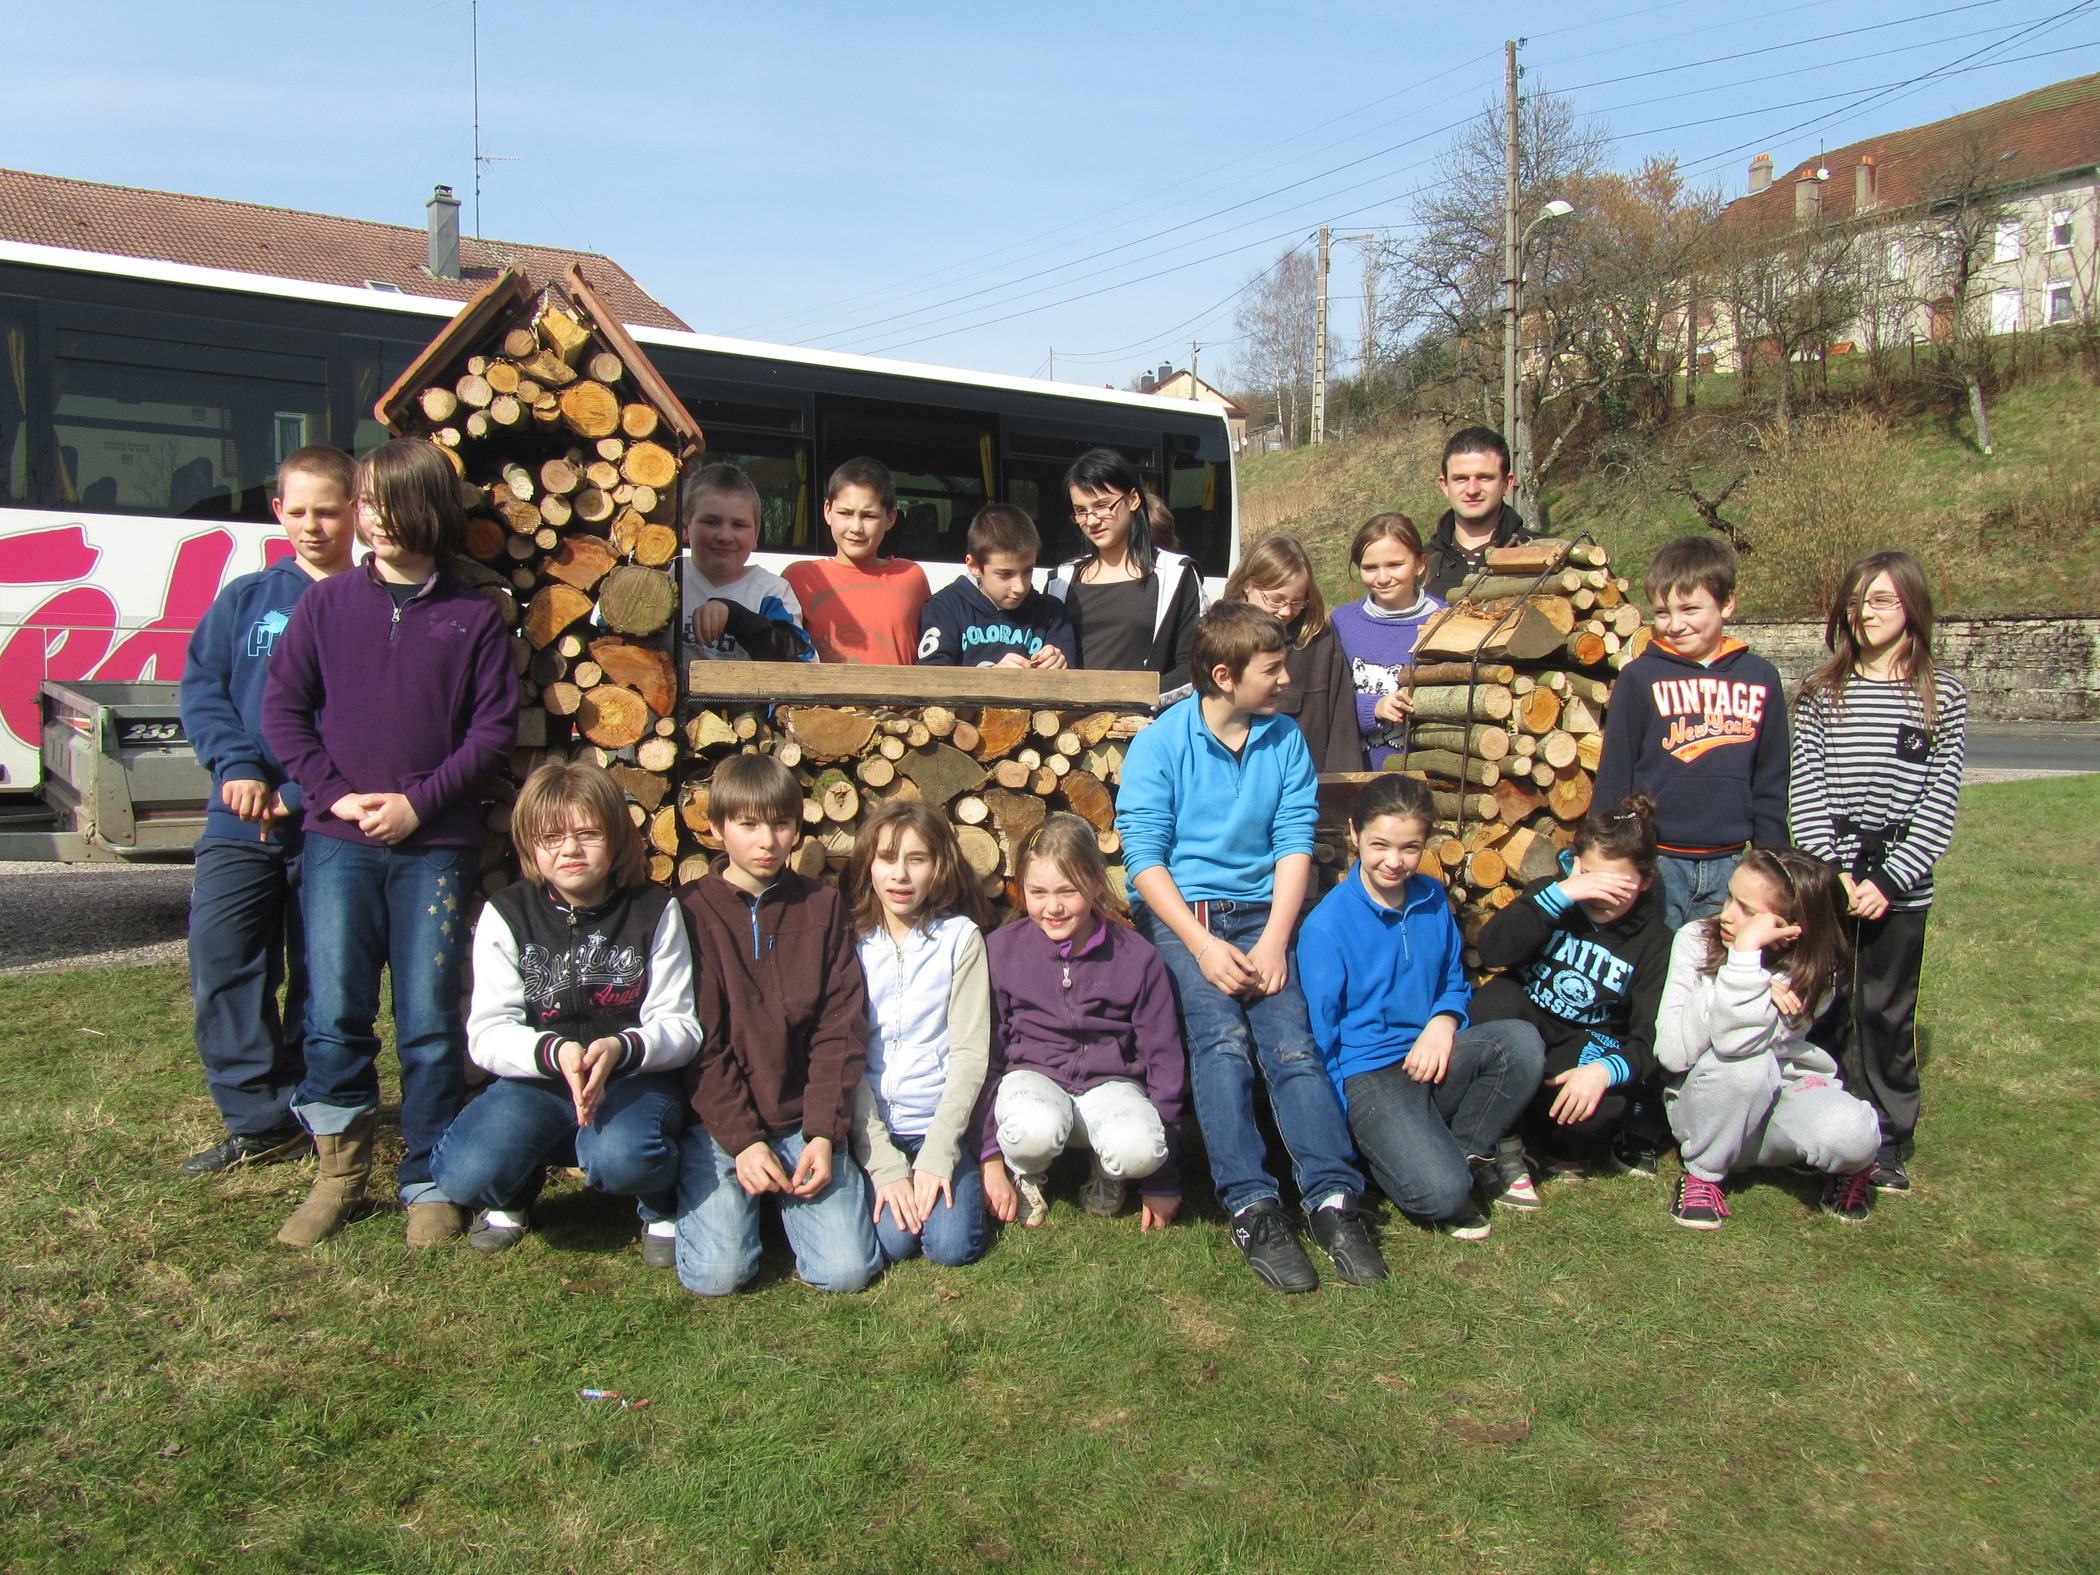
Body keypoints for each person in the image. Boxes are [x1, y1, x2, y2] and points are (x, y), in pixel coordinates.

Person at [261, 439, 519, 1248]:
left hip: (434, 846)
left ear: (430, 511)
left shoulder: (474, 618)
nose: (371, 517)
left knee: (429, 1018)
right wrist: (333, 795)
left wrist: (417, 805)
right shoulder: (327, 605)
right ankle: (338, 1174)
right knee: (335, 1009)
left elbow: (491, 734)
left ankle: (428, 1176)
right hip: (337, 843)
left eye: (387, 502)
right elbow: (283, 713)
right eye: (366, 501)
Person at [1116, 602, 1380, 1292]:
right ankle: (1251, 1204)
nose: (1287, 679)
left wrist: (1274, 940)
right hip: (1188, 915)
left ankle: (1332, 1197)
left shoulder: (1283, 739)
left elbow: (1294, 840)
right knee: (1221, 1041)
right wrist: (1202, 946)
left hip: (1265, 914)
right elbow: (1144, 858)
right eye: (1273, 669)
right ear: (1224, 675)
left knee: (1292, 1044)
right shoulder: (1161, 743)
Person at [433, 762, 701, 1261]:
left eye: (588, 834)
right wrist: (553, 1052)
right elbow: (488, 1032)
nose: (570, 849)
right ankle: (511, 1194)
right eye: (551, 837)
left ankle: (659, 1201)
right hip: (539, 1081)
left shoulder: (653, 910)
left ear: (615, 837)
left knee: (621, 1157)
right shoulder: (508, 913)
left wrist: (621, 1048)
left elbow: (681, 1025)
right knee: (462, 1173)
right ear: (529, 844)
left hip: (631, 1080)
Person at [176, 445, 357, 1177]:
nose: (313, 526)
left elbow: (374, 726)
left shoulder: (373, 605)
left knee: (322, 978)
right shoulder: (246, 599)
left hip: (326, 823)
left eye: (329, 511)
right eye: (299, 511)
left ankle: (312, 1109)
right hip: (238, 819)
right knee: (224, 963)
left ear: (356, 511)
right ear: (278, 511)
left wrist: (299, 792)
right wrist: (238, 766)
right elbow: (203, 688)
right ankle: (257, 1119)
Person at [1300, 774, 1546, 1244]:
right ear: (1354, 833)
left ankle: (1465, 1153)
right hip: (1369, 1075)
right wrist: (1342, 1132)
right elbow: (1321, 1037)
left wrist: (1443, 1021)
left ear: (1425, 844)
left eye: (1409, 848)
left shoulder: (1432, 897)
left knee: (1520, 1043)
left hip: (1430, 1055)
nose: (1394, 861)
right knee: (1441, 1195)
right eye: (1380, 845)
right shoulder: (1326, 927)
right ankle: (1403, 1161)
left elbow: (1453, 981)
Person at [1790, 551, 1966, 1199]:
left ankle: (1887, 1136)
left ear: (1911, 608)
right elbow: (1807, 792)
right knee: (1828, 1006)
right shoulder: (1821, 693)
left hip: (1900, 884)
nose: (1867, 613)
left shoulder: (1942, 696)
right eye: (1858, 601)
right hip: (1832, 879)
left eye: (1882, 600)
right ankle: (1825, 1124)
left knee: (1886, 1013)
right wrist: (1834, 874)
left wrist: (1890, 881)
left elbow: (1939, 803)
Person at [673, 754, 883, 1295]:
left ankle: (774, 1203)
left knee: (846, 1272)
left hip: (801, 1121)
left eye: (781, 824)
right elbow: (701, 1042)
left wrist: (822, 1133)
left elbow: (840, 1027)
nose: (767, 841)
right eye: (748, 825)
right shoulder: (690, 912)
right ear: (716, 829)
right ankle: (729, 1202)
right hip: (721, 1127)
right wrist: (742, 1141)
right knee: (717, 1276)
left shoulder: (821, 906)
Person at [1655, 848, 1881, 1228]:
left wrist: (1746, 967)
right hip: (1709, 1106)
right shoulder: (1694, 939)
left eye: (1748, 910)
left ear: (1790, 927)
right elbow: (1675, 1053)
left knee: (1852, 1134)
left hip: (1778, 1103)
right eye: (1729, 896)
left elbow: (1740, 1039)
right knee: (1747, 1068)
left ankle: (1847, 1168)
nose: (1727, 914)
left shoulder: (1813, 973)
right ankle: (1703, 1175)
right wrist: (1738, 972)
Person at [980, 814, 1185, 1231]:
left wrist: (1161, 1177)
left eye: (1068, 891)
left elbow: (1164, 1061)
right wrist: (990, 1156)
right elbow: (988, 1055)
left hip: (1112, 1086)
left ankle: (1110, 1169)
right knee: (1032, 1130)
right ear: (1021, 889)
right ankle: (1026, 1170)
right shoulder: (1000, 951)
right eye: (1038, 892)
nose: (1052, 907)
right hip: (1032, 1083)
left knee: (1140, 1151)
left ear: (1094, 883)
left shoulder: (1136, 957)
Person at [1471, 794, 1673, 1190]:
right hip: (1525, 1023)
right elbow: (1493, 952)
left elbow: (1650, 1038)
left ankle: (1544, 1142)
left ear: (1647, 881)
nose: (1601, 895)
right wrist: (1563, 894)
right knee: (1496, 1001)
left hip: (1582, 1043)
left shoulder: (1656, 943)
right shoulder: (1552, 894)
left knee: (1598, 1110)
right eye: (1592, 878)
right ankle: (1504, 1138)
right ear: (1576, 864)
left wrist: (1602, 1071)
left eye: (1618, 885)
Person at [1594, 535, 1789, 932]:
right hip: (1656, 861)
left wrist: (1773, 862)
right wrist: (1602, 852)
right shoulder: (1639, 677)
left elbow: (1770, 781)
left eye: (1690, 609)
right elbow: (1615, 774)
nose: (1675, 624)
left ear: (1727, 603)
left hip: (1730, 864)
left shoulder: (1761, 677)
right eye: (1662, 612)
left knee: (1718, 962)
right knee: (1652, 960)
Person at [843, 801, 996, 1268]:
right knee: (893, 1242)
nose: (900, 875)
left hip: (937, 1125)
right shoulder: (851, 942)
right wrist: (882, 1162)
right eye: (887, 858)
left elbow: (970, 1053)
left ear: (938, 866)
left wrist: (938, 1153)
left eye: (916, 859)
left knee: (951, 1247)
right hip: (874, 1128)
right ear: (869, 864)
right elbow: (846, 1055)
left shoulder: (960, 939)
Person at [1046, 448, 1204, 698]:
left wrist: (1131, 700)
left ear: (1133, 499)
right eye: (1081, 511)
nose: (1092, 521)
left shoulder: (1177, 575)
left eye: (1102, 505)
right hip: (1070, 720)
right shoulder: (1060, 581)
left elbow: (1192, 667)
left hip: (1144, 718)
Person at [1223, 532, 1361, 773]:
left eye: (1297, 601)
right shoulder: (1219, 638)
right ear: (1247, 585)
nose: (1287, 611)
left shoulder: (1320, 642)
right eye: (1276, 600)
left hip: (1305, 784)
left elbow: (1342, 729)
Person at [784, 457, 931, 665]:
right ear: (827, 511)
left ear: (890, 518)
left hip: (897, 688)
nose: (856, 528)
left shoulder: (911, 577)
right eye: (845, 513)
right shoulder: (799, 578)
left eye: (868, 516)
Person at [1329, 513, 1446, 769]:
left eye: (1394, 565)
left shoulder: (1446, 622)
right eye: (1370, 568)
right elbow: (1329, 701)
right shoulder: (1342, 623)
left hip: (1426, 775)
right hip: (1358, 775)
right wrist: (1373, 707)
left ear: (1420, 564)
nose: (1382, 578)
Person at [915, 502, 1075, 669]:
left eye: (1028, 571)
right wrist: (992, 677)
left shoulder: (1052, 613)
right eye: (1005, 574)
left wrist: (1059, 663)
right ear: (974, 566)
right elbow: (930, 677)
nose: (1019, 587)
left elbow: (1072, 677)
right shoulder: (944, 608)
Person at [682, 462, 811, 664]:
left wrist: (736, 617)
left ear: (756, 535)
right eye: (711, 522)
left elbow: (802, 660)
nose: (725, 536)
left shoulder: (772, 591)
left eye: (739, 525)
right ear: (685, 528)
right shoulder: (667, 578)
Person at [1422, 426, 1535, 601]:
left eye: (1484, 477)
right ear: (1445, 485)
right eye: (1461, 478)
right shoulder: (1418, 567)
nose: (1472, 490)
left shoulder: (1539, 557)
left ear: (1506, 483)